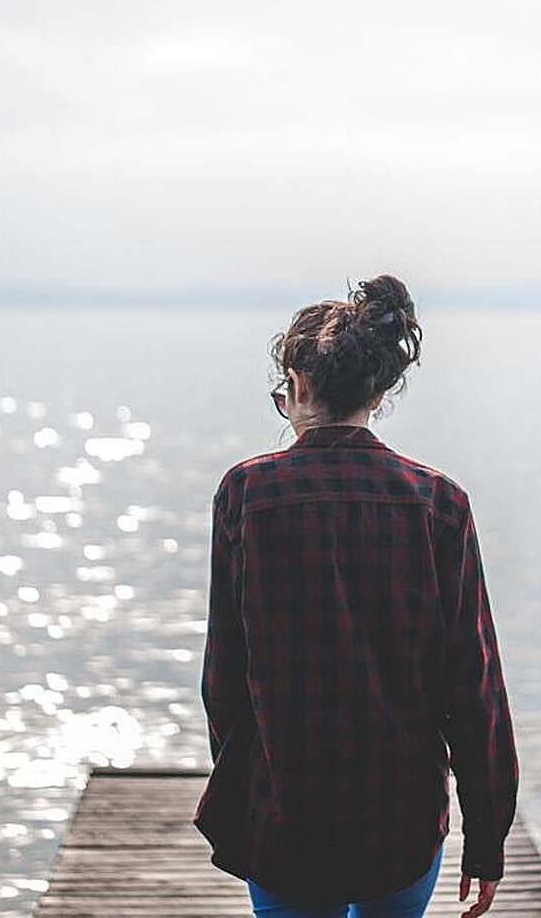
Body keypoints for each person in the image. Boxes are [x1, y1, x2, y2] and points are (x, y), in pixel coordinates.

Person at [193, 274, 520, 918]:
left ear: (299, 386)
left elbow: (224, 674)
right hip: (399, 818)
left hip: (283, 811)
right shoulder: (439, 504)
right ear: (379, 390)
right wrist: (487, 839)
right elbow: (473, 686)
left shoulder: (248, 494)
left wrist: (242, 786)